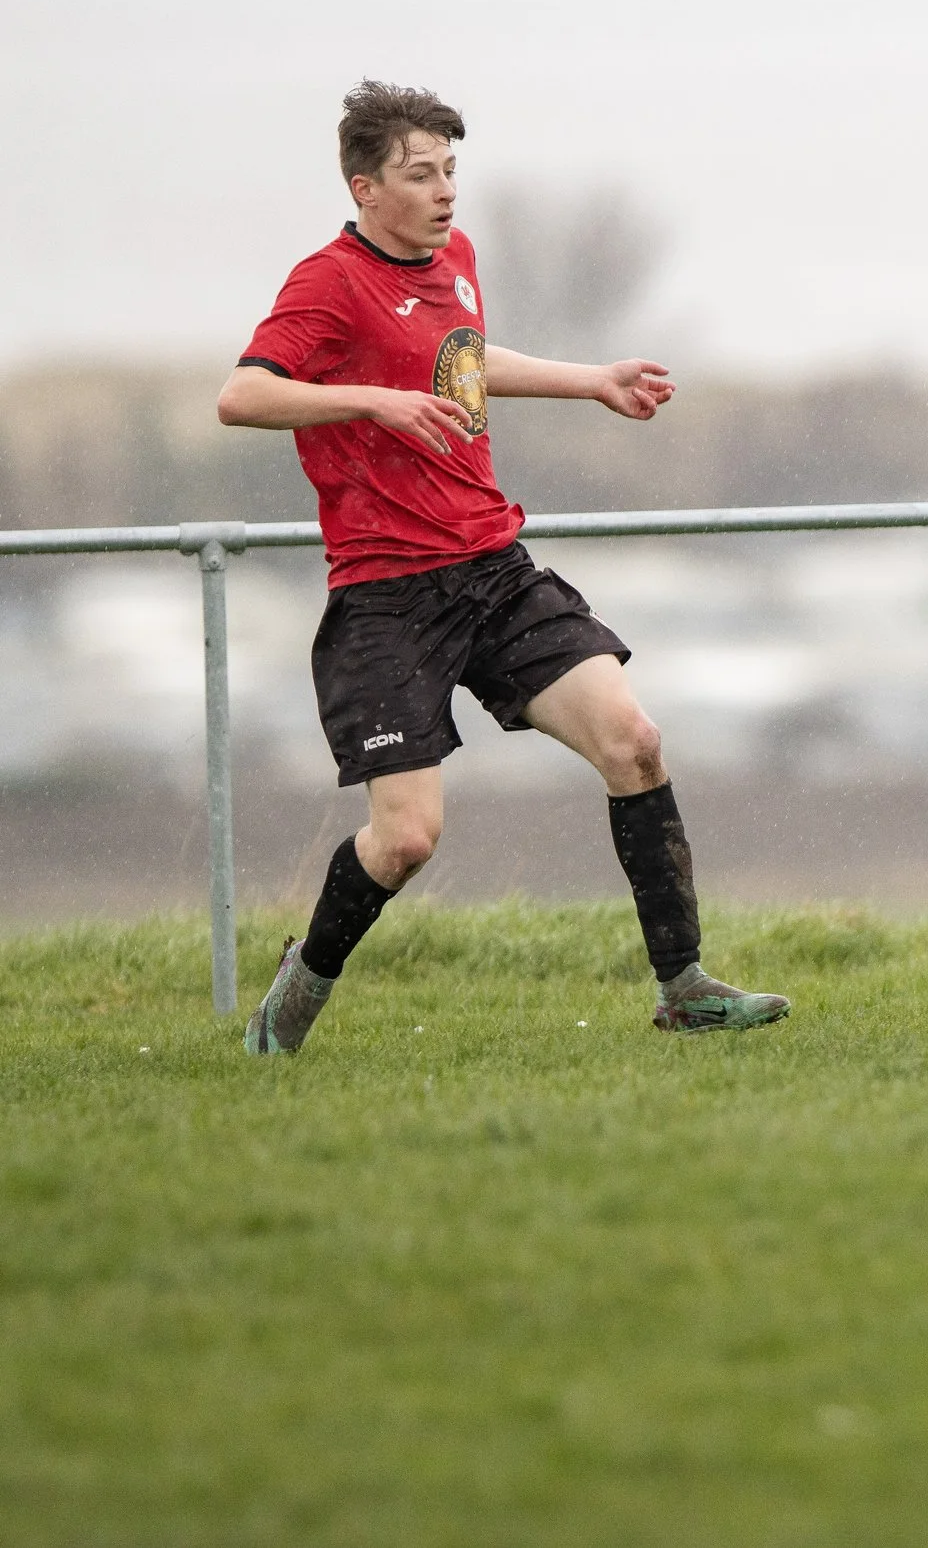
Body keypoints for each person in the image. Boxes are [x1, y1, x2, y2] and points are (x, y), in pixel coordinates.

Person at [217, 80, 788, 1053]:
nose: (444, 192)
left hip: (492, 569)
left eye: (450, 171)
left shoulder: (458, 259)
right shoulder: (327, 283)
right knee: (405, 838)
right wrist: (373, 403)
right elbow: (241, 395)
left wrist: (592, 381)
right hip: (386, 599)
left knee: (634, 741)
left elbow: (464, 357)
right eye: (419, 174)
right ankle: (300, 985)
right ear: (365, 186)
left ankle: (685, 985)